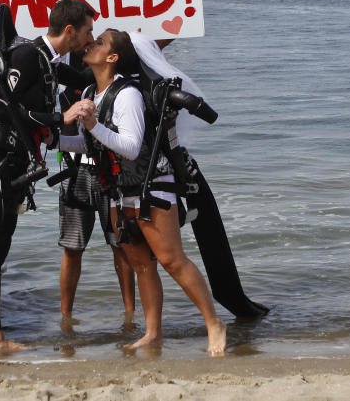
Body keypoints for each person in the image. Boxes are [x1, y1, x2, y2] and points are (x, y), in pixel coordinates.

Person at [0, 0, 97, 365]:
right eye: (89, 32)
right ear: (70, 30)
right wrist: (61, 118)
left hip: (12, 171)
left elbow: (86, 77)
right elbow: (6, 107)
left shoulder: (49, 64)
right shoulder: (30, 56)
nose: (90, 39)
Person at [58, 29, 227, 355]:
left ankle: (214, 324)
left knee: (172, 261)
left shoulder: (128, 95)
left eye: (101, 42)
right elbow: (92, 143)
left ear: (112, 58)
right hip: (119, 191)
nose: (90, 44)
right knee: (142, 266)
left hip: (152, 188)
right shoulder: (93, 91)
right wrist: (55, 141)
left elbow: (132, 148)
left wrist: (92, 125)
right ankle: (153, 333)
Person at [57, 50, 136, 326]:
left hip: (107, 171)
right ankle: (65, 317)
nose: (89, 44)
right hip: (75, 168)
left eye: (94, 40)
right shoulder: (60, 65)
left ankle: (130, 316)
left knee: (120, 246)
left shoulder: (116, 80)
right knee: (72, 248)